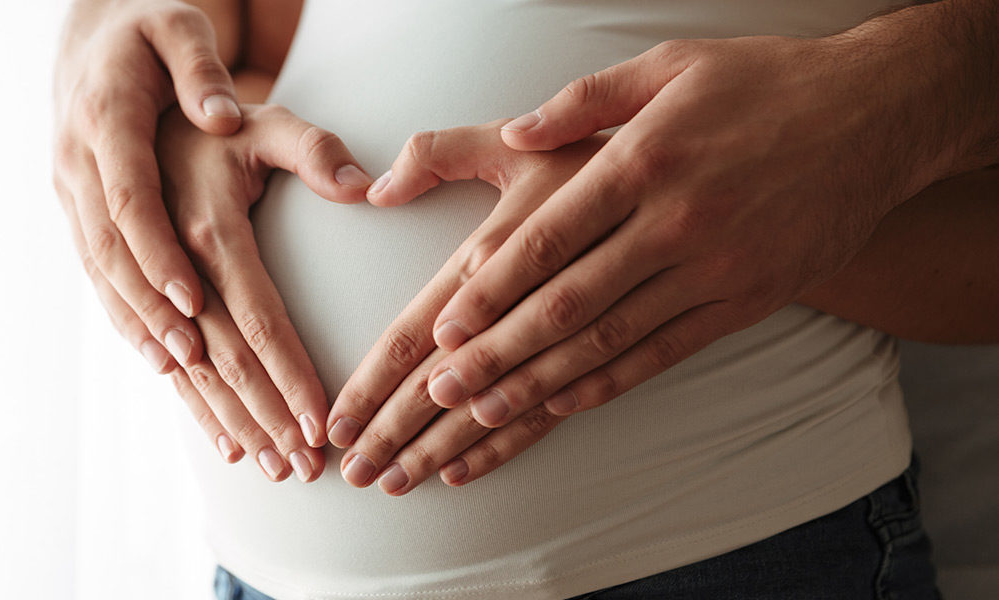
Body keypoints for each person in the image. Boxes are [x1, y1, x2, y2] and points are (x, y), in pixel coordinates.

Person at [52, 0, 999, 598]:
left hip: (729, 548)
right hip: (267, 573)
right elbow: (249, 29)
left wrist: (881, 126)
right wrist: (154, 92)